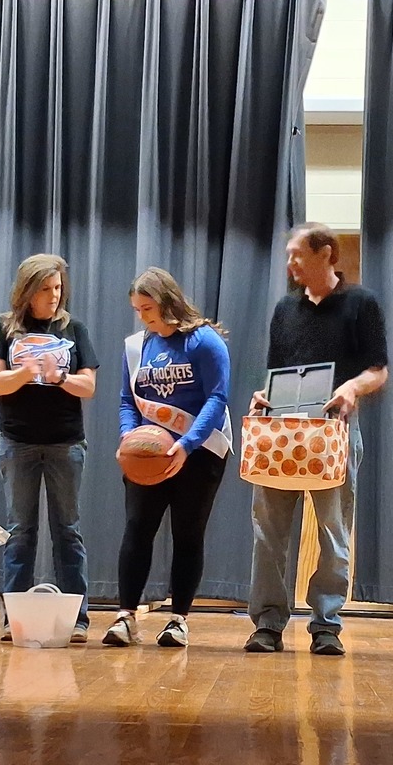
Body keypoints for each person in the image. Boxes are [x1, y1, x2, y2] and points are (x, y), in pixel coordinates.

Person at [244, 223, 388, 656]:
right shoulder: (284, 310)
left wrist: (352, 387)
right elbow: (276, 377)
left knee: (333, 532)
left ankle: (326, 625)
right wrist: (263, 398)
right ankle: (267, 624)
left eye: (296, 255)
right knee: (268, 531)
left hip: (333, 433)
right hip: (283, 433)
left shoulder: (361, 303)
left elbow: (379, 369)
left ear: (326, 253)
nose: (290, 264)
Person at [103, 267, 232, 648]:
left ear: (167, 302)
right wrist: (129, 438)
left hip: (199, 453)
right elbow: (129, 400)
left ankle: (179, 620)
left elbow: (217, 399)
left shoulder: (204, 342)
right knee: (138, 527)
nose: (143, 317)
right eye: (138, 310)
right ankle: (126, 616)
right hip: (150, 455)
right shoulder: (137, 346)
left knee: (188, 534)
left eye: (147, 308)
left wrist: (187, 444)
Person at [0, 254, 99, 643]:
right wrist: (27, 372)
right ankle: (14, 618)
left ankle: (77, 619)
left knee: (68, 530)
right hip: (17, 443)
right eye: (47, 289)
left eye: (59, 287)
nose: (55, 295)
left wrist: (59, 376)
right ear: (28, 291)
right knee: (20, 532)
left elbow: (89, 387)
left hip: (65, 443)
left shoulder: (74, 328)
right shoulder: (4, 327)